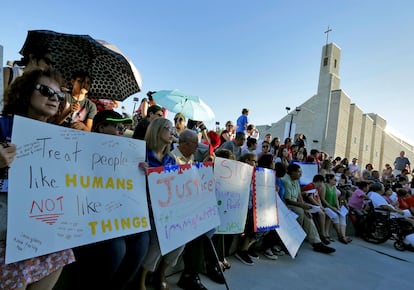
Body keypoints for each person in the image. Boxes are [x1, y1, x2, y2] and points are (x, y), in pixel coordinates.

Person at [58, 110, 150, 290]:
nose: (121, 131)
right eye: (116, 126)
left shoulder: (127, 156)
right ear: (100, 127)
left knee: (142, 238)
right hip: (85, 220)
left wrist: (140, 174)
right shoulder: (78, 147)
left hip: (115, 219)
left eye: (123, 127)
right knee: (116, 247)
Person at [0, 69, 75, 290]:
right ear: (24, 93)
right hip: (8, 227)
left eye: (59, 95)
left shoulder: (62, 138)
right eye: (45, 91)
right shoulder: (2, 126)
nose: (54, 98)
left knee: (62, 248)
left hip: (42, 225)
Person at [137, 118, 183, 290]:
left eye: (173, 129)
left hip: (165, 206)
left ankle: (161, 272)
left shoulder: (171, 159)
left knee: (183, 233)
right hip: (145, 207)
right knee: (160, 235)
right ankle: (141, 278)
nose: (173, 132)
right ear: (157, 130)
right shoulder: (141, 153)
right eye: (168, 128)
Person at [174, 129, 214, 290]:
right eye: (195, 144)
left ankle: (202, 268)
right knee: (199, 232)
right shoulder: (173, 157)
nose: (197, 148)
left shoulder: (190, 158)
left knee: (210, 226)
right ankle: (190, 275)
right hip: (176, 208)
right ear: (184, 144)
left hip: (189, 204)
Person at [281, 164, 336, 254]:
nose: (300, 174)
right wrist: (302, 206)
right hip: (287, 205)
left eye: (301, 172)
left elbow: (299, 196)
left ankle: (317, 243)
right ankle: (292, 241)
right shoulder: (286, 180)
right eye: (299, 172)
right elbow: (288, 200)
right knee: (300, 212)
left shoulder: (296, 180)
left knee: (308, 215)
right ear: (292, 172)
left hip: (296, 204)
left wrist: (304, 207)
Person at [320, 174, 352, 244]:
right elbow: (322, 199)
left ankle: (343, 235)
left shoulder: (334, 187)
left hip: (333, 207)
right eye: (334, 180)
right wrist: (332, 208)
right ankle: (340, 236)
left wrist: (338, 207)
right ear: (329, 179)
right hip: (325, 207)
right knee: (335, 216)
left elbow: (336, 199)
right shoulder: (324, 186)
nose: (336, 181)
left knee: (342, 216)